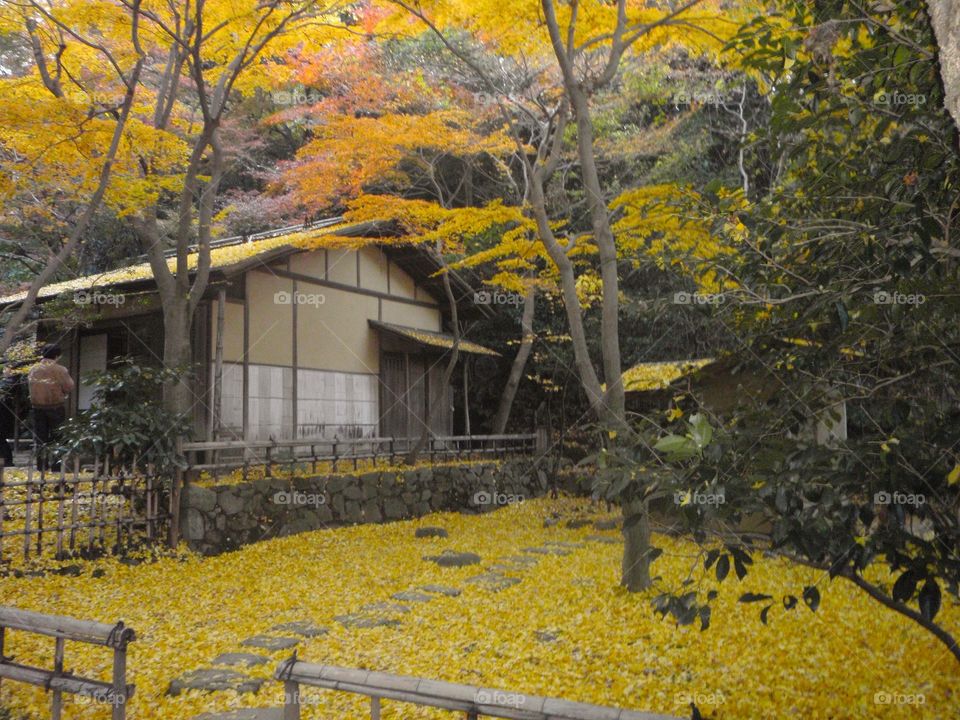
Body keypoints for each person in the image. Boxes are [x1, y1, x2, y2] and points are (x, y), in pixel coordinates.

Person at [28, 344, 74, 472]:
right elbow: (69, 386)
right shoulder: (60, 370)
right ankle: (56, 466)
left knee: (40, 438)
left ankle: (41, 466)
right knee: (57, 437)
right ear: (57, 356)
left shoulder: (33, 369)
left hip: (37, 407)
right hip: (55, 406)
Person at [0, 365, 16, 467]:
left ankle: (7, 460)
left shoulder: (7, 383)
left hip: (3, 414)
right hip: (4, 414)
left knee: (1, 438)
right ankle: (6, 460)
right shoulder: (6, 382)